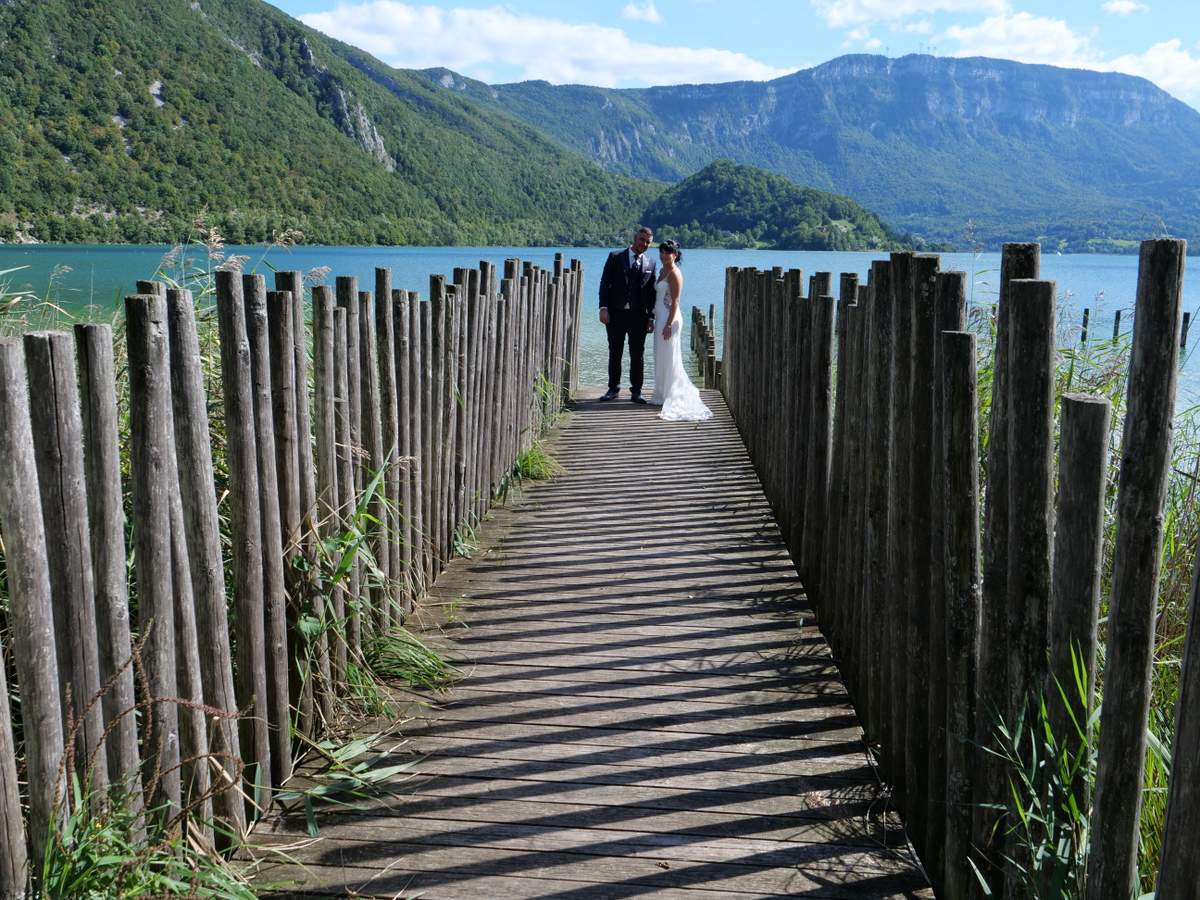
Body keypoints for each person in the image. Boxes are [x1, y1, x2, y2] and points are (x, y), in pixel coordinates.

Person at [652, 240, 712, 423]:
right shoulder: (662, 271)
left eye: (668, 252)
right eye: (662, 252)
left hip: (669, 318)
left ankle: (672, 394)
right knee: (661, 355)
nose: (664, 255)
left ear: (675, 255)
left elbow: (676, 301)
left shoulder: (675, 273)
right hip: (660, 316)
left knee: (669, 357)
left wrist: (669, 324)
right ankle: (662, 392)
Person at [598, 226, 657, 404]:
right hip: (615, 314)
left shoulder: (651, 263)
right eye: (642, 240)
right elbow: (604, 283)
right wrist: (603, 308)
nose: (644, 244)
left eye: (648, 242)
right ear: (635, 238)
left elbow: (651, 294)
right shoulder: (615, 257)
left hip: (639, 317)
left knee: (637, 355)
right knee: (615, 352)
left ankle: (636, 391)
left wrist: (651, 317)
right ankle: (613, 389)